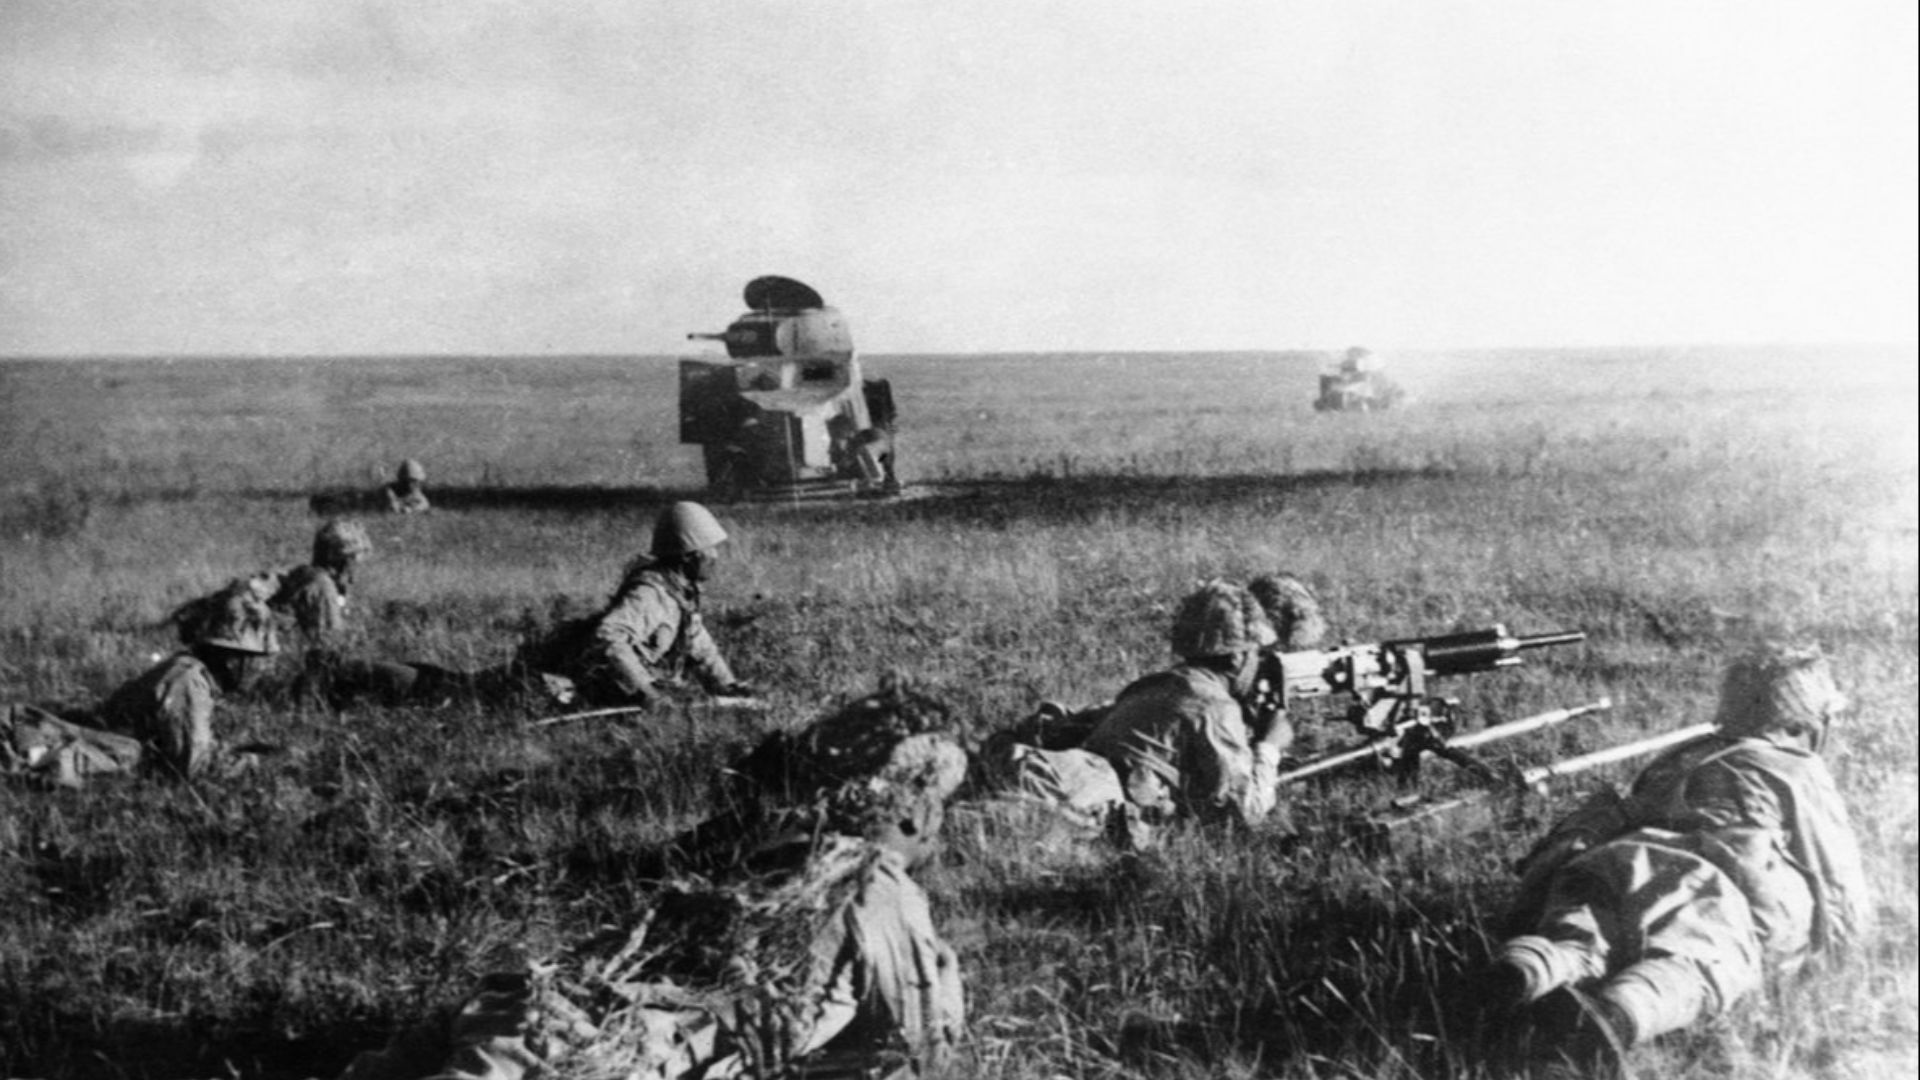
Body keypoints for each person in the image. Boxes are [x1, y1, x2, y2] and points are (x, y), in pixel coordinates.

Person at [325, 681, 967, 1080]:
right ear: (915, 809)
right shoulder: (874, 891)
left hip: (527, 1008)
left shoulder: (765, 845)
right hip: (600, 1057)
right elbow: (916, 1053)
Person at [1486, 642, 1871, 1060]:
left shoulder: (1681, 755)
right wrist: (1842, 951)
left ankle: (1540, 964)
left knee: (1584, 930)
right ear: (1807, 723)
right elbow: (1836, 871)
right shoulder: (1795, 769)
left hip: (1620, 859)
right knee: (1695, 961)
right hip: (1719, 887)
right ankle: (1620, 1013)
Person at [1007, 580, 1293, 842]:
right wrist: (1270, 745)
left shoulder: (1154, 685)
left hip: (1063, 788)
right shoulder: (1215, 707)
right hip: (1088, 813)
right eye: (1256, 654)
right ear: (1238, 658)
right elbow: (1245, 813)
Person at [566, 501, 754, 710]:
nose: (715, 556)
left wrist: (727, 686)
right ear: (687, 556)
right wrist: (646, 692)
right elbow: (608, 637)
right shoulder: (651, 594)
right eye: (709, 549)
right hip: (617, 694)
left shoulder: (680, 592)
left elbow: (699, 645)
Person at [98, 580, 280, 776]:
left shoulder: (190, 671)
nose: (264, 670)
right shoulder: (189, 681)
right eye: (258, 660)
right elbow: (193, 765)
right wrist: (257, 763)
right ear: (232, 659)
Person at [272, 518, 374, 642]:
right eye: (355, 560)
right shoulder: (323, 587)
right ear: (345, 560)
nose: (357, 567)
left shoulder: (303, 574)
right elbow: (328, 643)